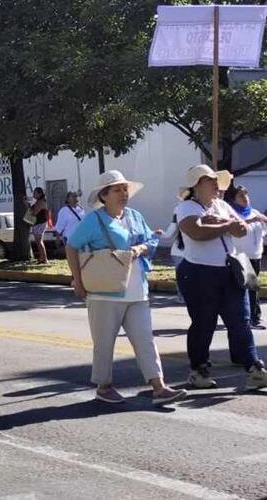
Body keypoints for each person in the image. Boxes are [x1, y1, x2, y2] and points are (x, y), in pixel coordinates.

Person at [66, 170, 187, 405]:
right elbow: (72, 246)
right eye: (117, 190)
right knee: (104, 343)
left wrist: (141, 248)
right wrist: (78, 281)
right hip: (104, 292)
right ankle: (104, 386)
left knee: (145, 340)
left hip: (136, 289)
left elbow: (150, 239)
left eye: (124, 189)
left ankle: (159, 387)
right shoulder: (94, 220)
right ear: (104, 195)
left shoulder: (133, 215)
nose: (123, 193)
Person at [175, 165, 267, 389]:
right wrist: (226, 225)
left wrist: (220, 223)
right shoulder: (186, 207)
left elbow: (242, 228)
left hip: (230, 271)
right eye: (210, 180)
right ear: (197, 185)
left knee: (241, 322)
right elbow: (196, 232)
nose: (216, 183)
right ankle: (199, 369)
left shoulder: (222, 205)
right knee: (204, 323)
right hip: (199, 273)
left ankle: (254, 368)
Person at [230, 185, 267, 330]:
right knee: (250, 287)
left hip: (256, 255)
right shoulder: (233, 214)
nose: (245, 198)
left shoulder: (254, 212)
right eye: (240, 196)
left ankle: (249, 316)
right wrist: (251, 221)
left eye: (246, 195)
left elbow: (263, 232)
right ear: (234, 200)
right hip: (241, 255)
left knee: (251, 287)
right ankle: (253, 318)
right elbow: (235, 228)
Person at [27, 187, 50, 265]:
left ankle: (45, 259)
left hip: (40, 223)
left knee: (39, 241)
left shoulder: (41, 202)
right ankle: (42, 258)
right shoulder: (38, 201)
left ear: (39, 193)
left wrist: (27, 205)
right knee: (38, 241)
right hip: (37, 223)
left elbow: (34, 213)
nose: (33, 194)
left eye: (35, 193)